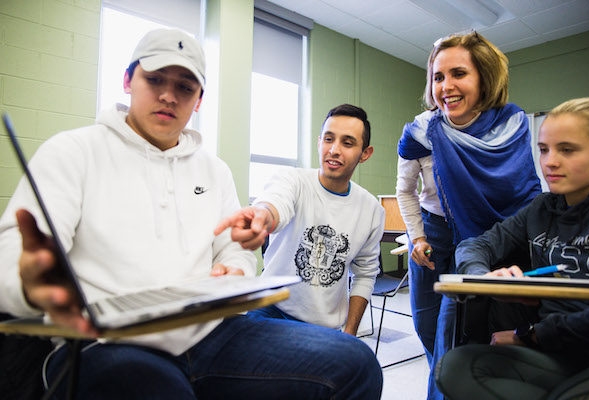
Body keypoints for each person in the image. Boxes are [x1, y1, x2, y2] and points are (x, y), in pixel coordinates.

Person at [0, 29, 383, 399]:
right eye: (155, 79)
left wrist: (235, 273)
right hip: (108, 340)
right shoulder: (73, 152)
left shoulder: (213, 170)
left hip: (213, 334)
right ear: (128, 80)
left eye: (185, 87)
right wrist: (29, 283)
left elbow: (235, 253)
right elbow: (11, 263)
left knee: (357, 364)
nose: (168, 95)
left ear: (198, 99)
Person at [395, 31, 541, 399]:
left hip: (491, 238)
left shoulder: (511, 125)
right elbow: (405, 190)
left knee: (467, 331)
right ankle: (442, 379)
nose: (446, 86)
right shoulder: (421, 130)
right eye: (438, 77)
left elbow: (522, 192)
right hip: (434, 234)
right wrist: (418, 237)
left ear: (484, 78)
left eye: (458, 74)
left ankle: (449, 383)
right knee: (429, 328)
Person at [435, 97, 589, 399]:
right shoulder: (542, 208)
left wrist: (532, 335)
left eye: (567, 150)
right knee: (455, 366)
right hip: (558, 355)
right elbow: (477, 245)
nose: (550, 161)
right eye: (544, 149)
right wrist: (484, 277)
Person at [214, 104, 384, 336]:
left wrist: (350, 332)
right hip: (269, 308)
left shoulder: (372, 209)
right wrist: (262, 216)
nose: (334, 150)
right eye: (328, 139)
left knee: (360, 363)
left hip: (324, 325)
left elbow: (365, 274)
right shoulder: (293, 180)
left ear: (365, 153)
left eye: (347, 143)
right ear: (319, 142)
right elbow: (275, 205)